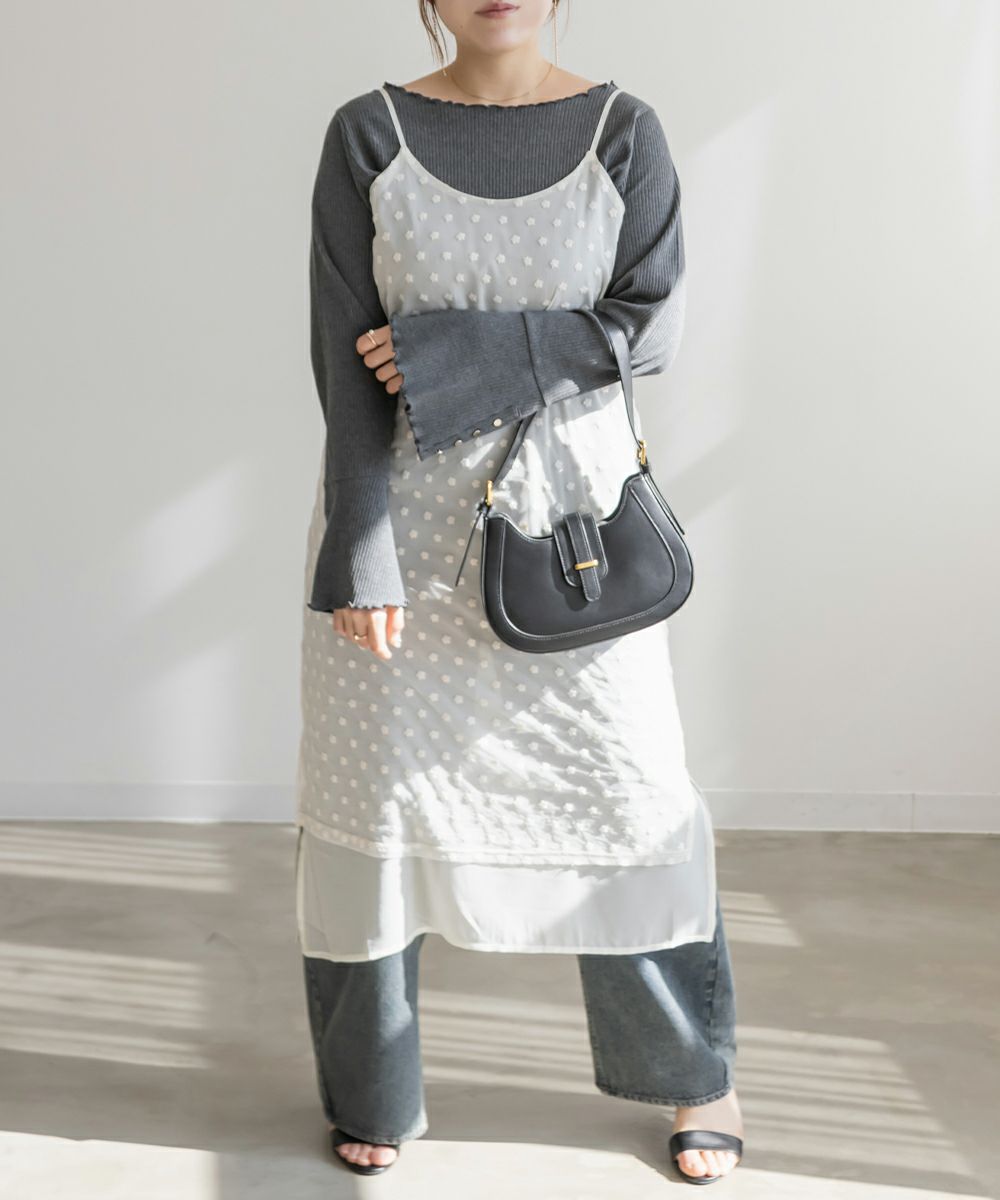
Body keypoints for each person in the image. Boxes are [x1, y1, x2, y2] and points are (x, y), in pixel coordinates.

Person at [294, 0, 744, 1183]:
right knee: (373, 813)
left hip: (572, 537)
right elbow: (345, 361)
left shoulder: (623, 132)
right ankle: (374, 1091)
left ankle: (695, 1075)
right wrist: (359, 554)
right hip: (401, 533)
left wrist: (464, 350)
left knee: (630, 800)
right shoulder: (366, 135)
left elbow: (652, 327)